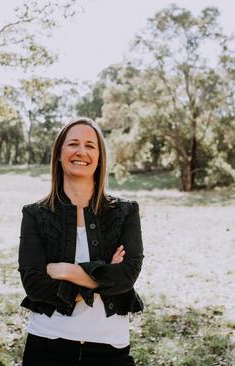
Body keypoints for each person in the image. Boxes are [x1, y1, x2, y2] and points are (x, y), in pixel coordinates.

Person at [18, 117, 144, 365]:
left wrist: (67, 271)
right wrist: (103, 274)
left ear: (99, 157)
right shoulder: (35, 214)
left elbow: (127, 275)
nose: (81, 152)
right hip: (47, 344)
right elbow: (34, 283)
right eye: (73, 144)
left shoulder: (125, 212)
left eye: (90, 145)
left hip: (109, 346)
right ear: (59, 154)